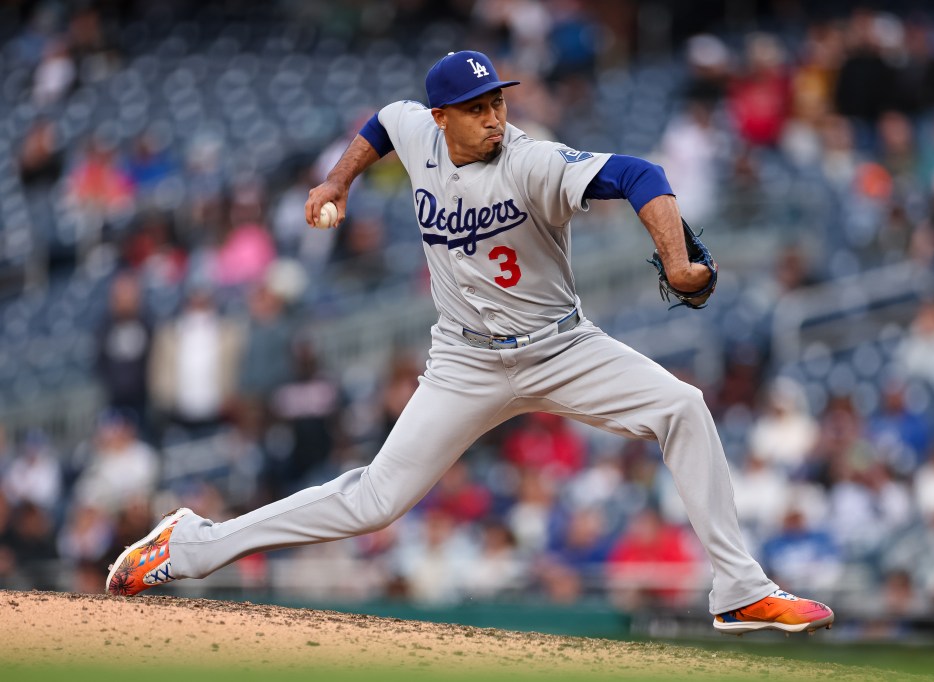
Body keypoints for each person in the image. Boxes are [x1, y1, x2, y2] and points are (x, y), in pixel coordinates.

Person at [107, 50, 833, 635]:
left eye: (499, 103)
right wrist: (337, 184)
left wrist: (675, 261)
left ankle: (740, 590)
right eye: (478, 108)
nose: (494, 118)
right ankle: (191, 544)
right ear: (442, 117)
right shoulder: (417, 131)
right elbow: (383, 124)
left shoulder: (530, 160)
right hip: (465, 359)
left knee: (682, 407)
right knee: (374, 502)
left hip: (561, 348)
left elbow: (640, 174)